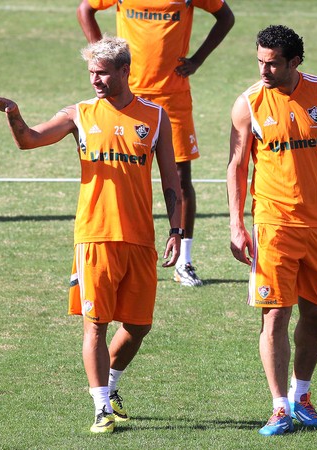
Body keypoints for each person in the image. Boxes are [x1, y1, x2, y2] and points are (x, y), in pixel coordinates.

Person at [0, 36, 183, 434]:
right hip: (93, 236)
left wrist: (177, 230)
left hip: (140, 238)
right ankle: (100, 409)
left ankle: (110, 387)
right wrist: (14, 115)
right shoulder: (80, 114)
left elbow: (171, 181)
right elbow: (30, 140)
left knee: (140, 325)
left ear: (125, 71)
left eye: (103, 72)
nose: (95, 80)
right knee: (96, 323)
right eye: (91, 72)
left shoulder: (155, 117)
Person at [227, 25, 317, 436]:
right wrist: (236, 223)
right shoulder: (248, 103)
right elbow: (237, 166)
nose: (264, 70)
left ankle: (302, 395)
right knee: (275, 316)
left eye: (273, 64)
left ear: (295, 62)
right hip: (273, 225)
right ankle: (278, 406)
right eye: (260, 62)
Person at [77, 0, 235, 287]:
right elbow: (85, 8)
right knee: (115, 172)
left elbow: (225, 17)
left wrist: (197, 59)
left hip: (172, 97)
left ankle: (184, 261)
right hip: (126, 95)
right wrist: (100, 55)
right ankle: (98, 254)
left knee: (180, 178)